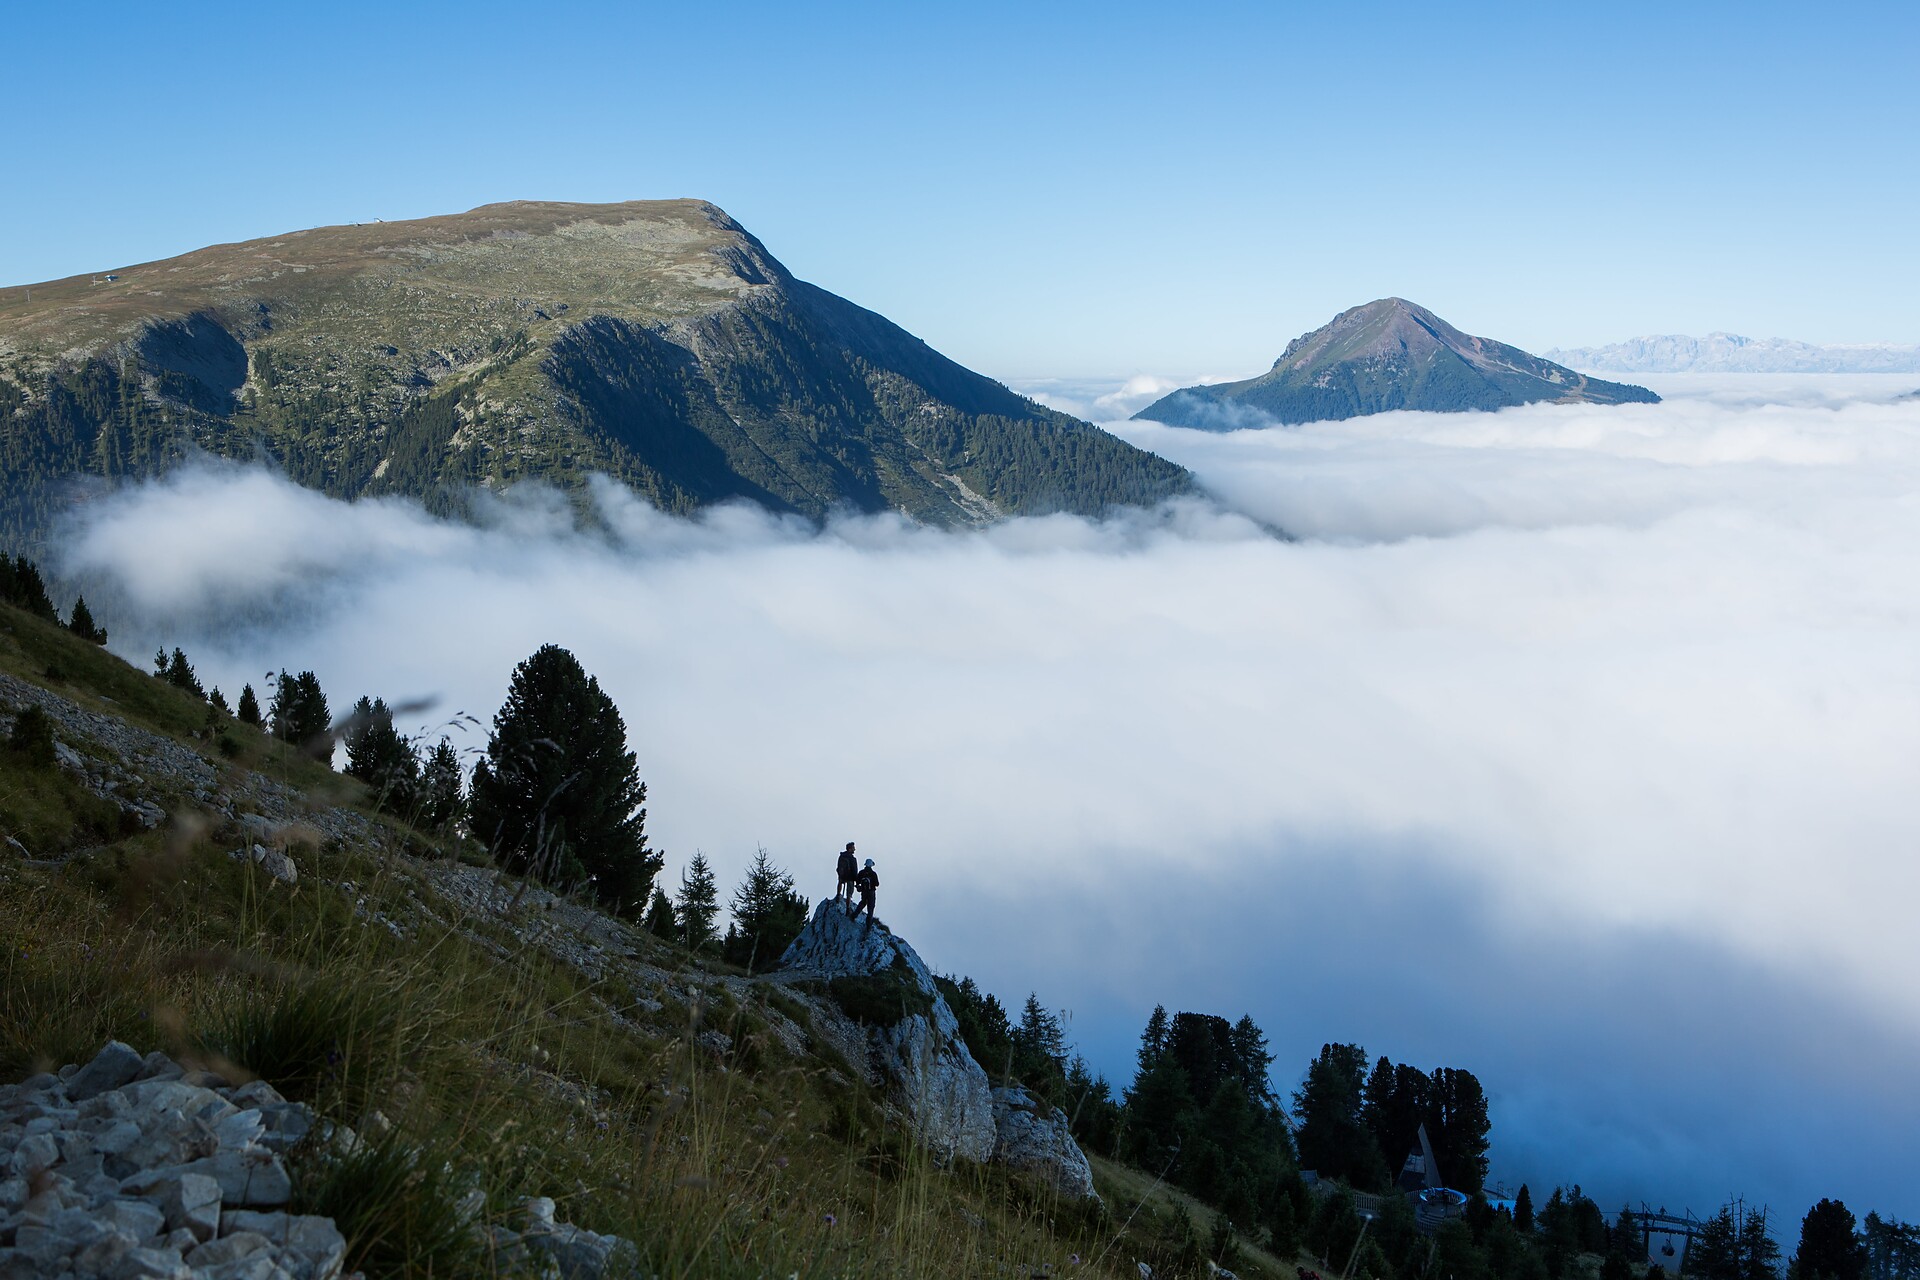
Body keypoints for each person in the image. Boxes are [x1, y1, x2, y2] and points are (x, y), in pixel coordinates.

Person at [852, 857, 879, 925]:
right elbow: (877, 884)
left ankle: (854, 915)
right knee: (870, 907)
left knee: (862, 903)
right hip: (871, 892)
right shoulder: (873, 873)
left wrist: (859, 886)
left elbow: (857, 881)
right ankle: (868, 925)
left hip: (864, 891)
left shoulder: (861, 872)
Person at [834, 841, 859, 909]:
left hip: (842, 875)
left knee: (840, 882)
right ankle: (848, 908)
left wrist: (840, 873)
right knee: (849, 894)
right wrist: (856, 880)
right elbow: (854, 870)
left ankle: (838, 894)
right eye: (853, 848)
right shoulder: (852, 859)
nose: (854, 849)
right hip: (850, 877)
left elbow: (838, 866)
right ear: (850, 849)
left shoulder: (842, 856)